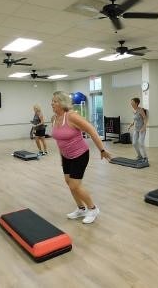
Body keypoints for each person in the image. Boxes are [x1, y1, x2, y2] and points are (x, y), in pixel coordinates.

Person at [51, 91, 111, 224]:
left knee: (75, 185)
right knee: (69, 183)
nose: (52, 103)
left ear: (62, 103)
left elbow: (91, 130)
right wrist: (62, 159)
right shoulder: (54, 119)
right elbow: (59, 141)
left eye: (55, 101)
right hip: (66, 156)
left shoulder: (72, 116)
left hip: (80, 154)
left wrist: (102, 149)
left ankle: (93, 209)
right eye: (52, 101)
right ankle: (81, 208)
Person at [127, 97, 148, 162]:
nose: (131, 104)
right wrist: (131, 125)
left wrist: (144, 127)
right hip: (136, 129)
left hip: (142, 129)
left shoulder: (141, 110)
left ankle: (145, 158)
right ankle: (139, 156)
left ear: (136, 103)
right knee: (134, 143)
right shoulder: (134, 111)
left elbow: (145, 118)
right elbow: (135, 120)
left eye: (132, 102)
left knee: (141, 143)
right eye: (131, 102)